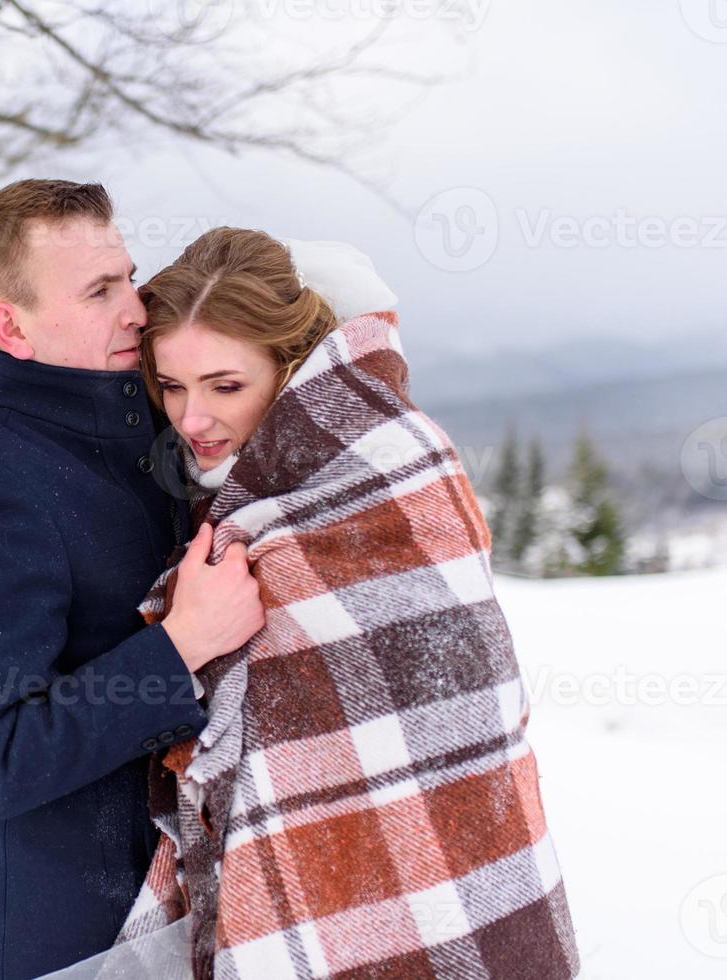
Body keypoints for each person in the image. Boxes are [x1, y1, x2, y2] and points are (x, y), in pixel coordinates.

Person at [109, 228, 579, 979]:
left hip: (457, 863)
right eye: (171, 386)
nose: (191, 419)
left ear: (291, 370)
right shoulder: (217, 505)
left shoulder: (398, 467)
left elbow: (458, 715)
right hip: (291, 876)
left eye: (225, 385)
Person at [0, 180, 266, 980]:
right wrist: (181, 646)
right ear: (12, 325)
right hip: (89, 934)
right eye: (101, 290)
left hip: (214, 898)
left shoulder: (163, 420)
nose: (136, 308)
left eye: (128, 277)